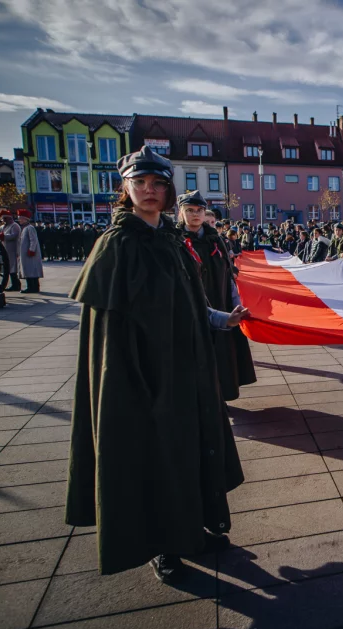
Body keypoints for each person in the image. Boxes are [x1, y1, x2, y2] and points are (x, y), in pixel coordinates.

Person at [65, 146, 247, 581]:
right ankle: (161, 545)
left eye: (158, 184)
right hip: (141, 380)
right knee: (151, 457)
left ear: (168, 191)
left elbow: (192, 303)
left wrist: (222, 320)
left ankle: (191, 530)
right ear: (126, 188)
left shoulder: (171, 239)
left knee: (186, 453)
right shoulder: (116, 245)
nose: (149, 190)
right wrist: (132, 385)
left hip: (186, 372)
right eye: (140, 183)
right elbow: (109, 337)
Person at [177, 190, 257, 402]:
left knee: (222, 357)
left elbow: (229, 275)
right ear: (181, 212)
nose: (195, 214)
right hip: (192, 312)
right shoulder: (175, 242)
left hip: (221, 306)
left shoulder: (216, 240)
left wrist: (236, 303)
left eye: (199, 210)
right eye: (190, 210)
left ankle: (220, 398)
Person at [17, 208, 43, 294]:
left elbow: (33, 240)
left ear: (25, 219)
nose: (19, 220)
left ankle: (32, 287)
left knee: (31, 270)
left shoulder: (30, 228)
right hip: (26, 253)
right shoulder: (24, 228)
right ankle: (33, 287)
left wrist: (31, 250)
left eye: (20, 218)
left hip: (30, 253)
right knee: (29, 269)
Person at [0, 208, 22, 292]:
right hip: (4, 249)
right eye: (3, 219)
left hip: (12, 249)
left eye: (5, 219)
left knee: (12, 267)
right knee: (8, 267)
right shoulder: (2, 227)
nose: (4, 220)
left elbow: (14, 236)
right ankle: (15, 284)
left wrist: (3, 236)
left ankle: (16, 284)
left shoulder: (15, 226)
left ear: (9, 218)